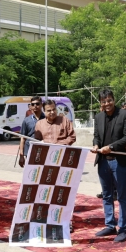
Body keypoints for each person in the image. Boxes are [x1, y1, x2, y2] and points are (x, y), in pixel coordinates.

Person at [91, 89, 126, 242]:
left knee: (122, 196)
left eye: (109, 100)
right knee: (107, 195)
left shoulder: (124, 114)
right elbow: (96, 136)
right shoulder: (98, 117)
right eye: (104, 101)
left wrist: (111, 147)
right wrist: (96, 145)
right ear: (100, 103)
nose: (107, 103)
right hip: (102, 161)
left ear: (113, 100)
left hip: (119, 161)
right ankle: (110, 225)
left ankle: (123, 228)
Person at [34, 99, 77, 232]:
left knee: (64, 193)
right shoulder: (39, 124)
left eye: (53, 109)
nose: (52, 112)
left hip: (64, 162)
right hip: (47, 164)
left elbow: (72, 137)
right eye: (48, 110)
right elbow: (36, 141)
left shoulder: (64, 121)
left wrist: (58, 145)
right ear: (44, 111)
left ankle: (66, 221)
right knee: (46, 193)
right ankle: (49, 219)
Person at [18, 96, 45, 168]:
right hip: (29, 150)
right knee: (31, 172)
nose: (35, 106)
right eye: (33, 104)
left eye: (37, 104)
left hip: (44, 150)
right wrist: (21, 155)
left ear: (41, 105)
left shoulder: (47, 118)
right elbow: (22, 138)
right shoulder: (26, 120)